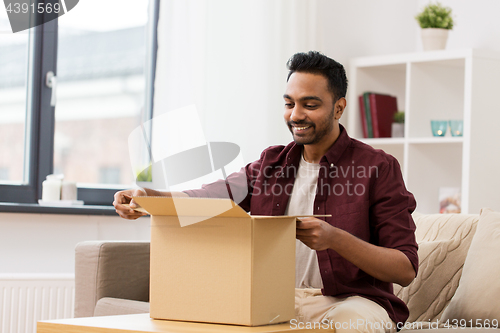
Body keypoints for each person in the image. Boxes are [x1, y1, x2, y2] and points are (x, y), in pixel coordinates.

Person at [114, 51, 418, 333]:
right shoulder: (270, 163)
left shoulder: (378, 167)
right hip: (273, 300)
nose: (296, 115)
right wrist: (145, 198)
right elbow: (208, 198)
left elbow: (404, 269)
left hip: (351, 302)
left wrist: (334, 238)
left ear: (338, 107)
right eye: (289, 104)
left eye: (310, 105)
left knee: (353, 324)